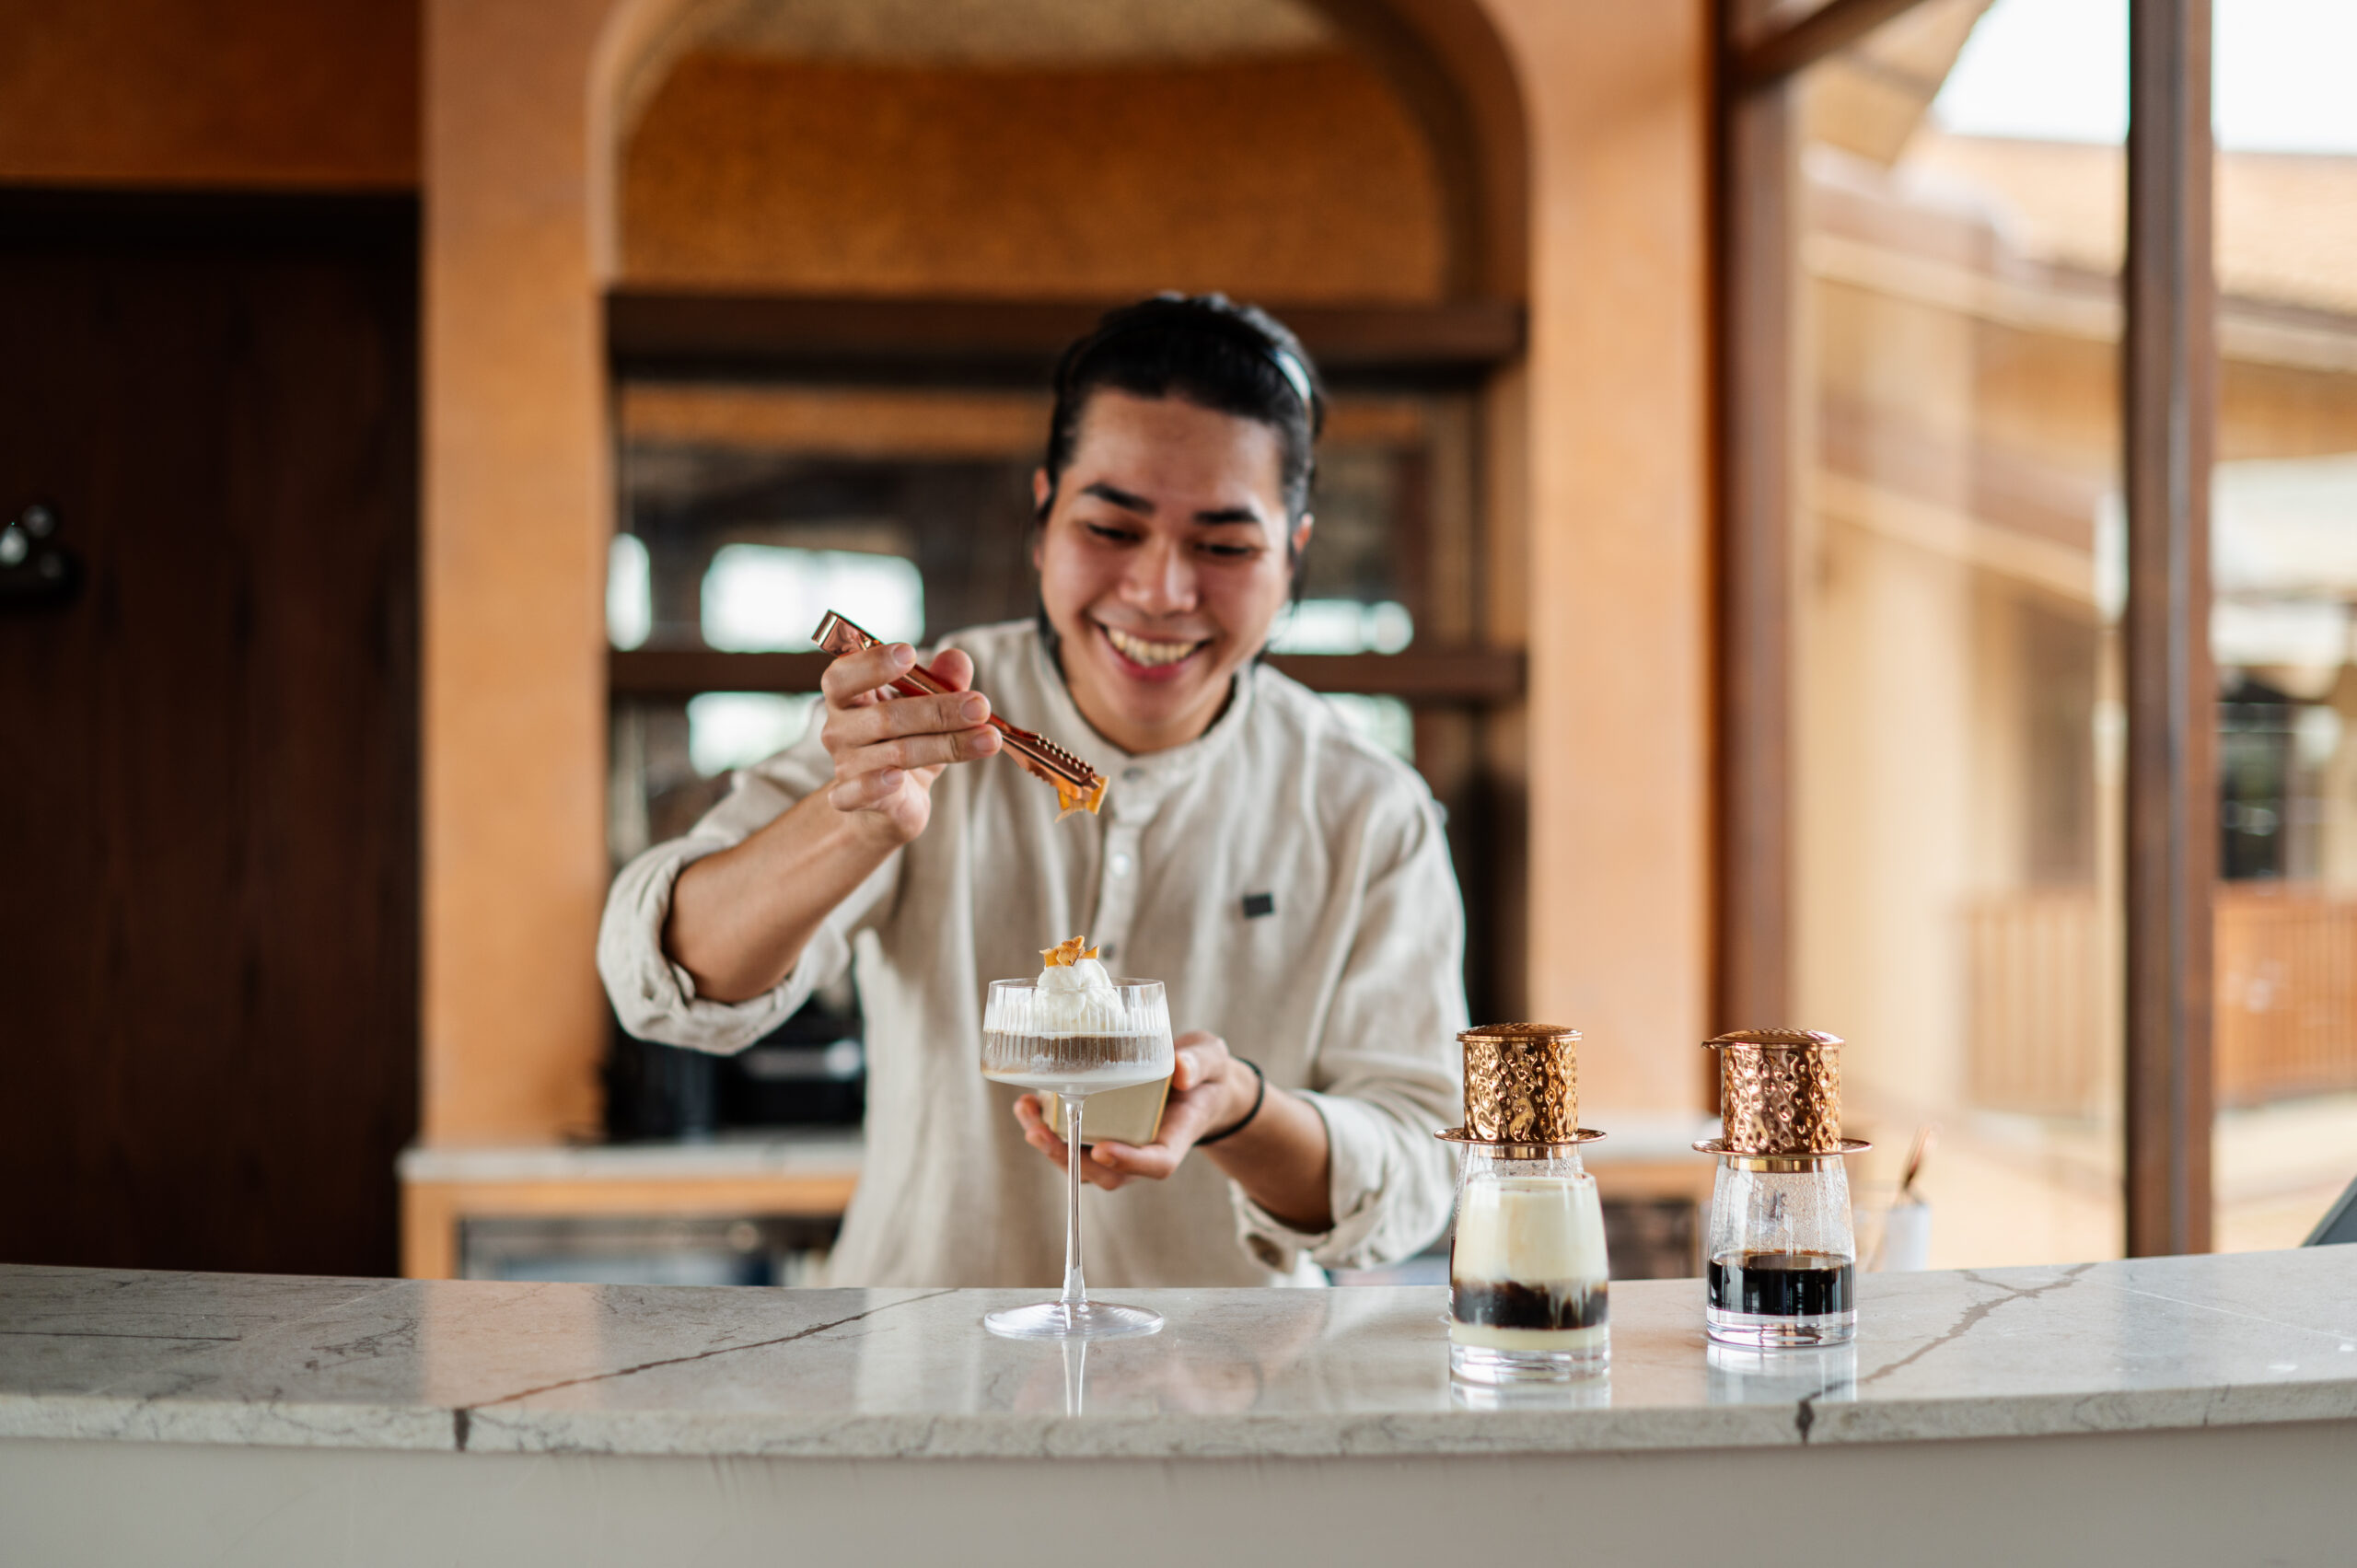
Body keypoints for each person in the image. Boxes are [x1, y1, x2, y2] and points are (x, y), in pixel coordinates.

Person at [598, 294, 1465, 1287]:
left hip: (1225, 1376)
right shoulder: (922, 715)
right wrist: (851, 825)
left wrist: (1241, 1109)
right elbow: (656, 981)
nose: (1160, 591)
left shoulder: (1368, 807)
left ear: (1294, 555)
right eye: (1111, 526)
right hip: (921, 1359)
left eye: (1224, 545)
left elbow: (1418, 1169)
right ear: (1044, 517)